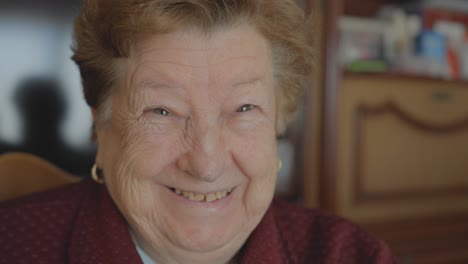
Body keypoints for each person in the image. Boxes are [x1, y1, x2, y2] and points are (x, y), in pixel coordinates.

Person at [0, 0, 398, 263]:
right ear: (100, 129)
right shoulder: (14, 244)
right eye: (162, 111)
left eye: (244, 108)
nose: (206, 163)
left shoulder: (351, 255)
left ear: (279, 122)